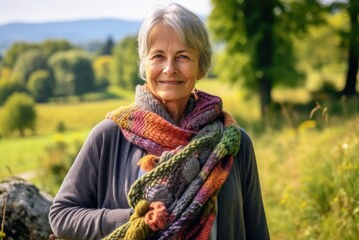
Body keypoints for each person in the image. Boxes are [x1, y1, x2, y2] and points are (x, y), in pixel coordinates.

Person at [49, 3, 270, 240]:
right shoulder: (109, 136)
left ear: (201, 65)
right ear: (145, 64)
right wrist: (133, 219)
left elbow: (256, 231)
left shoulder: (232, 142)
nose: (169, 68)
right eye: (158, 56)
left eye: (183, 57)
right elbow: (61, 215)